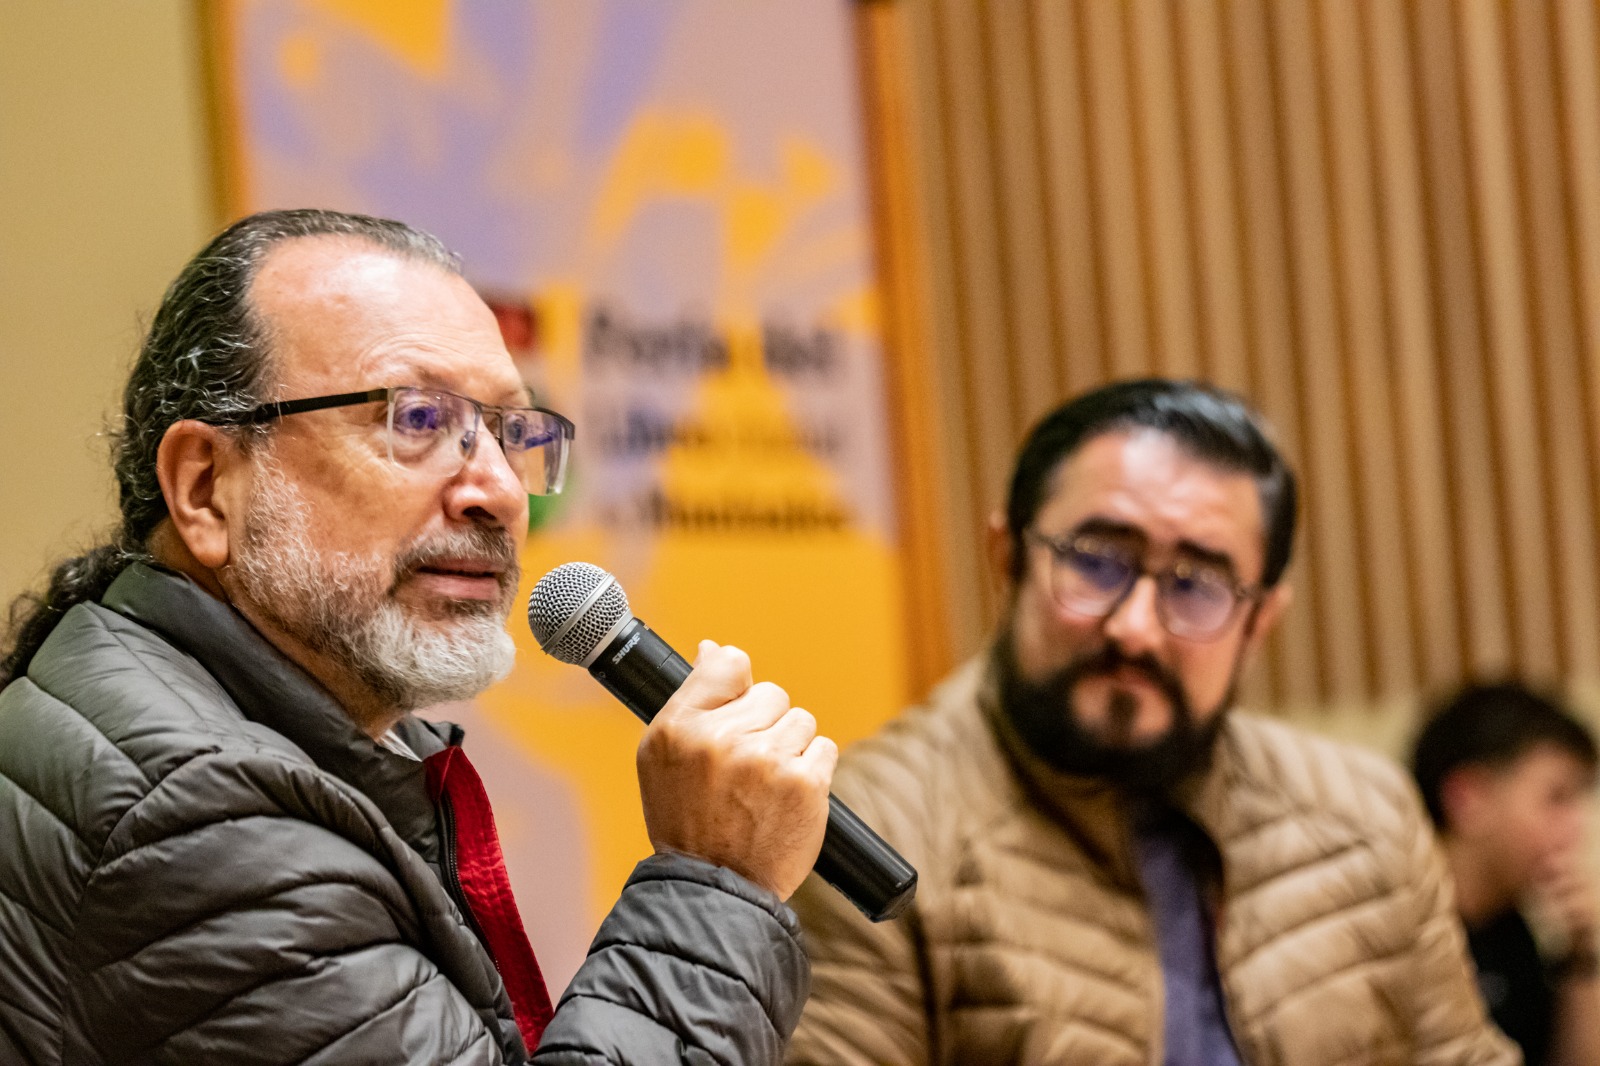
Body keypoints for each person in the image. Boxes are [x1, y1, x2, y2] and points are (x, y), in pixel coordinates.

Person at [0, 209, 837, 1065]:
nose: (501, 493)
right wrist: (716, 885)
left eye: (513, 433)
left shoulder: (192, 716)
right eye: (415, 420)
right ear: (207, 487)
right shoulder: (199, 815)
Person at [786, 379, 1515, 1065]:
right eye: (1098, 561)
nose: (1136, 628)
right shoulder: (866, 828)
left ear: (1260, 620)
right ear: (1006, 558)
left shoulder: (1364, 814)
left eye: (1196, 585)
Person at [1412, 681, 1600, 1066]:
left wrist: (1585, 949)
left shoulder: (1509, 932)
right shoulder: (1397, 931)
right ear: (1467, 799)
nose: (1574, 828)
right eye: (1556, 798)